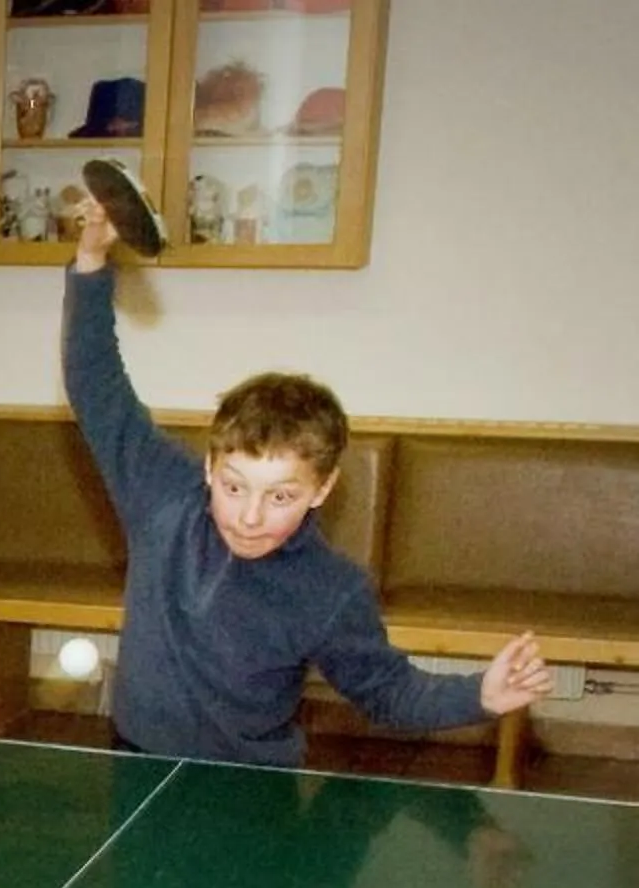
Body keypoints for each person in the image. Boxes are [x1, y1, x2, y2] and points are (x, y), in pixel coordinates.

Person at [65, 198, 551, 765]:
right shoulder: (160, 497)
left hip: (253, 788)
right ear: (209, 466)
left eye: (281, 496)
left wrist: (481, 695)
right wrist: (91, 258)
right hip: (134, 758)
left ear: (322, 490)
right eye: (234, 486)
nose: (249, 516)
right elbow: (95, 380)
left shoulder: (331, 590)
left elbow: (387, 691)